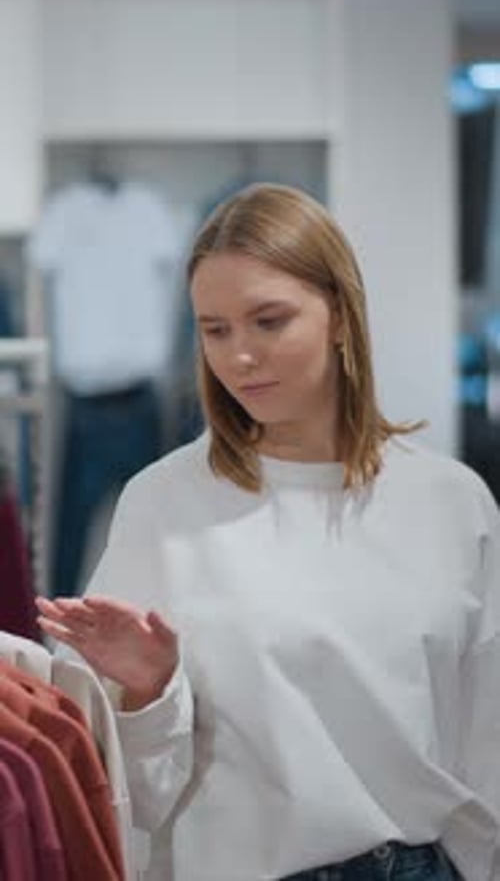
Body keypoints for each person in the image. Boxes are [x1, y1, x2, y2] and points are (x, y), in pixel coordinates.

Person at [36, 183, 500, 881]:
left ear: (340, 314)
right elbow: (118, 787)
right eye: (215, 329)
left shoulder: (451, 501)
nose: (239, 356)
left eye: (268, 321)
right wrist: (148, 692)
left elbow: (484, 737)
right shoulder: (163, 505)